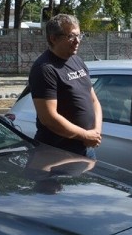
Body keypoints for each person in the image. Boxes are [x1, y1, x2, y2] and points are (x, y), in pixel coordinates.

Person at [28, 14, 102, 156]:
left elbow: (93, 100)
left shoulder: (77, 61)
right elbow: (48, 118)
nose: (77, 41)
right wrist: (85, 135)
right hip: (58, 153)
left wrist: (95, 132)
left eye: (80, 36)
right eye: (71, 36)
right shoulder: (45, 68)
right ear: (53, 38)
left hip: (85, 148)